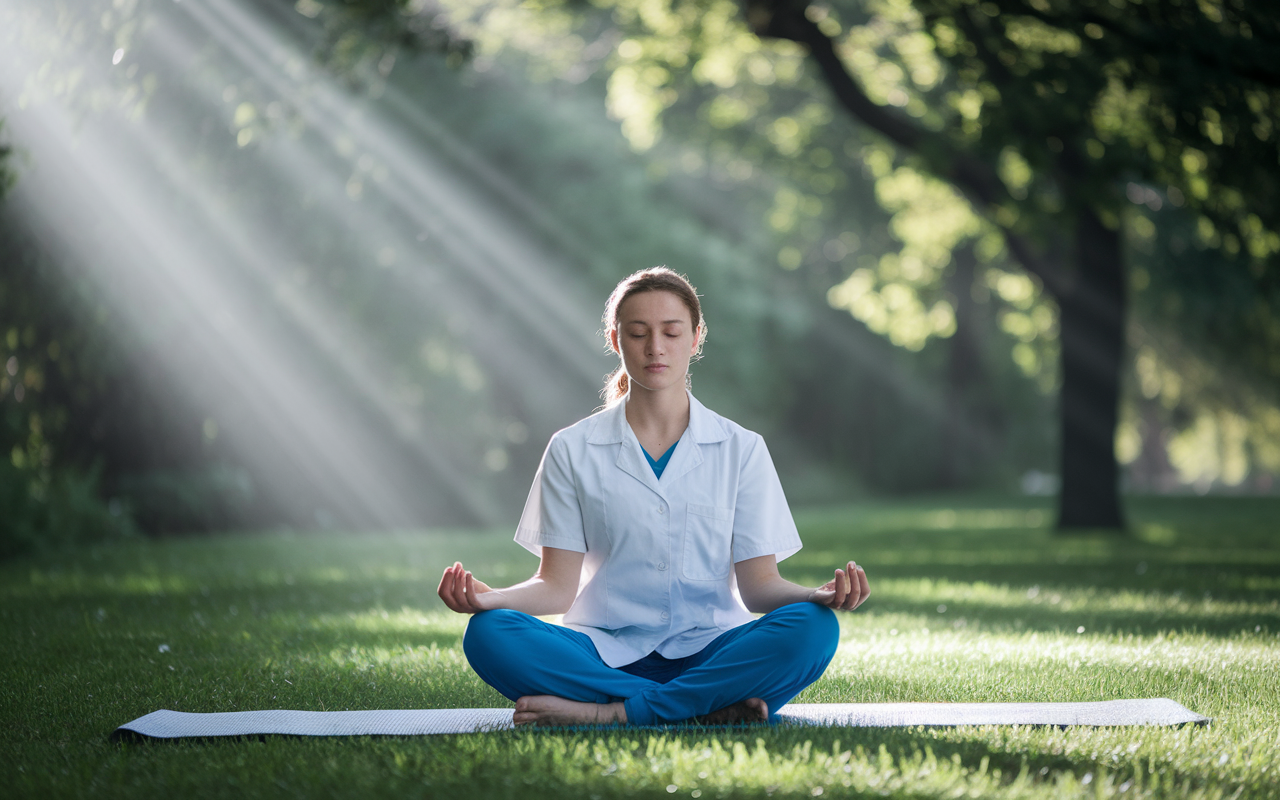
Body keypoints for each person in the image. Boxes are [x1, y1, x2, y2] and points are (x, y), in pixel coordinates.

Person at [437, 267, 869, 726]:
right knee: (489, 633)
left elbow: (759, 587)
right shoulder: (571, 448)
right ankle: (705, 707)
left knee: (812, 628)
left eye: (671, 332)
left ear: (696, 337)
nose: (655, 348)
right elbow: (557, 587)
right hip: (602, 650)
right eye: (638, 333)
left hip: (713, 647)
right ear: (615, 338)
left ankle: (609, 714)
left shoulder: (742, 449)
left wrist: (815, 595)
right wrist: (490, 600)